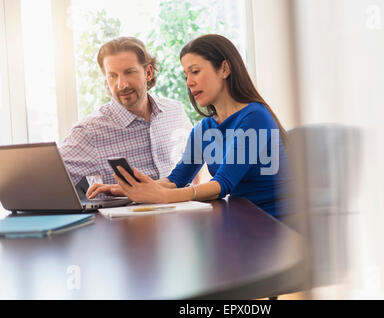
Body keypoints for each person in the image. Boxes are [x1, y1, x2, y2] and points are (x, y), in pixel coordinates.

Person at [87, 34, 292, 219]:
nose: (189, 82)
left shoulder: (255, 116)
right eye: (186, 75)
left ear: (225, 69)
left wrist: (164, 196)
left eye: (195, 72)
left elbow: (222, 185)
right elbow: (176, 179)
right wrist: (124, 189)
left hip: (273, 223)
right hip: (240, 220)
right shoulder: (204, 129)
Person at [59, 37, 193, 188]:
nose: (122, 84)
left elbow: (193, 163)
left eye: (129, 72)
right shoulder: (90, 132)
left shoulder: (175, 111)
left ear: (148, 73)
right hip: (122, 211)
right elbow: (47, 178)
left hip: (182, 209)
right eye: (112, 76)